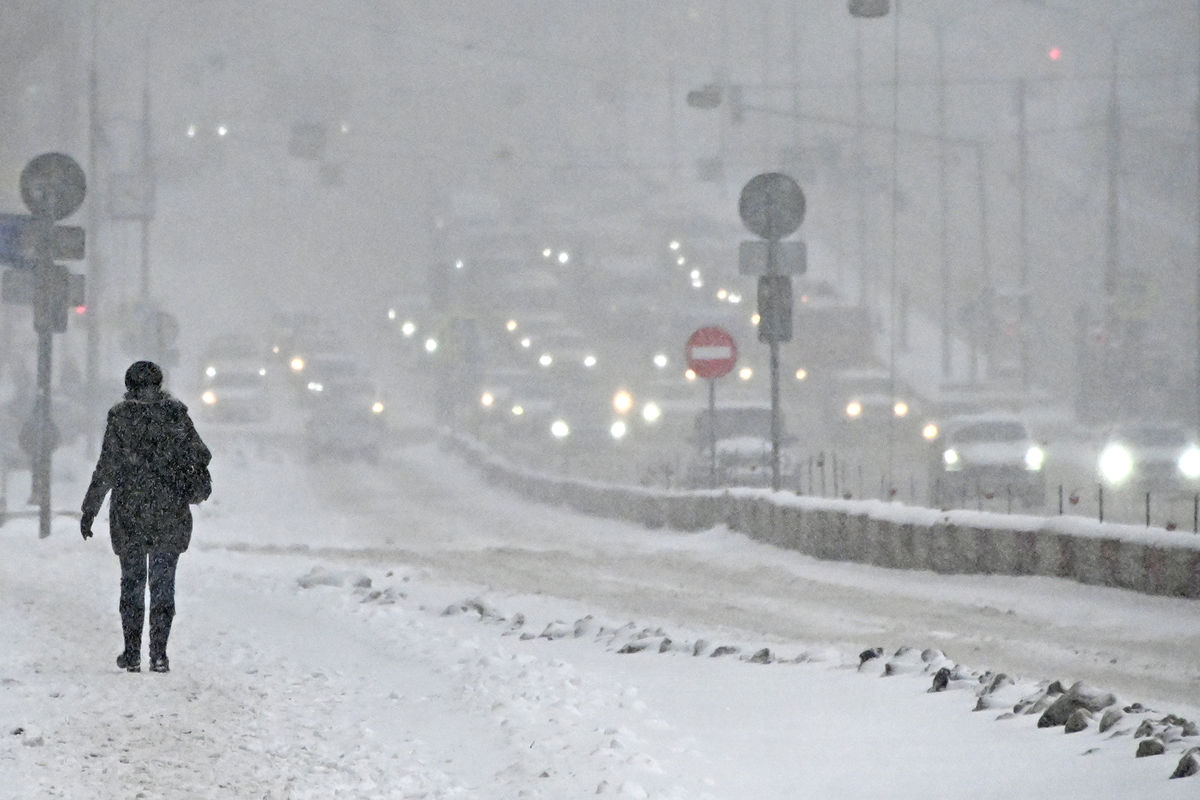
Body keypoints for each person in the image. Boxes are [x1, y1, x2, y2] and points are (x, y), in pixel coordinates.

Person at [81, 360, 211, 673]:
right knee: (164, 587)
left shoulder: (121, 417)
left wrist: (90, 508)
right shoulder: (176, 414)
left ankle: (132, 652)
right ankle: (159, 654)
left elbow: (107, 466)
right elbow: (201, 454)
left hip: (130, 514)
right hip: (170, 512)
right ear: (159, 383)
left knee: (132, 585)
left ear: (129, 386)